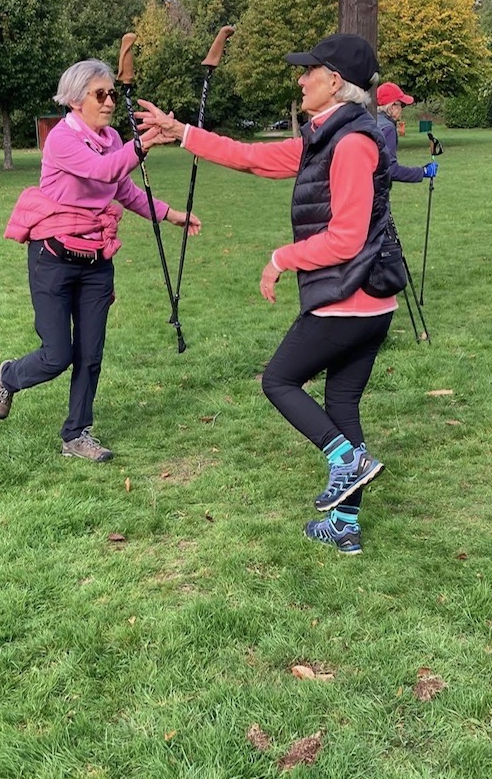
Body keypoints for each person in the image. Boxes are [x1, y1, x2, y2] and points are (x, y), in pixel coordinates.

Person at [137, 33, 397, 555]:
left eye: (310, 71)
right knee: (342, 402)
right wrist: (181, 131)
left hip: (349, 298)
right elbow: (253, 158)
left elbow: (346, 236)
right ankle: (345, 525)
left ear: (335, 81)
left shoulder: (351, 144)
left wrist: (282, 259)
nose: (300, 79)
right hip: (372, 301)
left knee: (280, 380)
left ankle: (346, 462)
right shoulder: (326, 137)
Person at [0, 59, 199, 459]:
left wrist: (171, 214)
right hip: (53, 257)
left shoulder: (113, 139)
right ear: (74, 99)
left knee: (90, 354)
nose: (109, 102)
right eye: (100, 94)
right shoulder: (62, 140)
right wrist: (143, 145)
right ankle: (9, 377)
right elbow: (102, 172)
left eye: (112, 94)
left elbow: (124, 189)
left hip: (97, 261)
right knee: (57, 355)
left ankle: (76, 435)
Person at [375, 82, 437, 184]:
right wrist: (423, 172)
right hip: (376, 191)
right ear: (392, 106)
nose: (402, 109)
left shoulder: (372, 120)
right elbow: (391, 169)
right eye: (401, 105)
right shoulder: (388, 129)